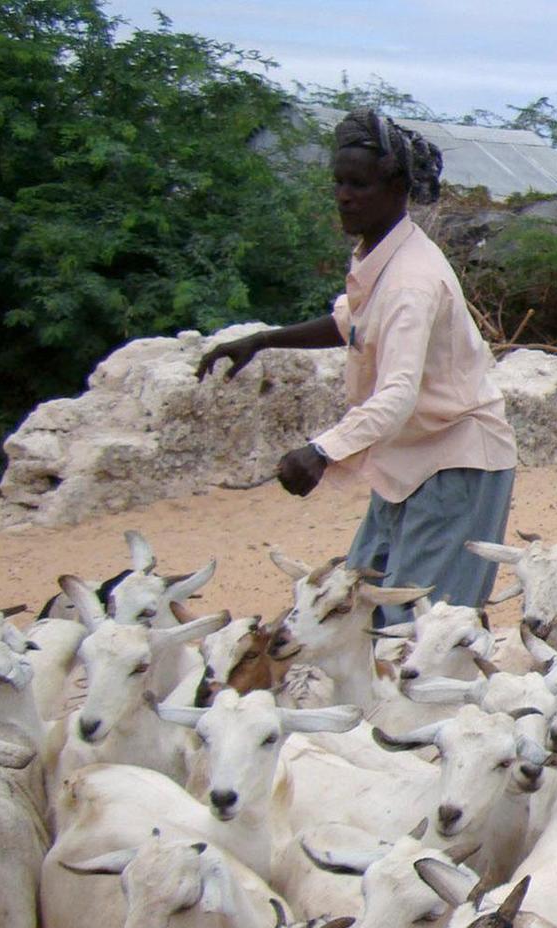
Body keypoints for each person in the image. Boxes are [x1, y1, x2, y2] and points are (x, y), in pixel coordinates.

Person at [199, 108, 516, 624]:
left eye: (359, 185)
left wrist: (322, 451)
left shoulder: (412, 281)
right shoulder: (378, 256)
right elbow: (352, 324)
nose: (344, 196)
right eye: (339, 183)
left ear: (396, 188)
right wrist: (261, 340)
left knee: (421, 628)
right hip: (409, 460)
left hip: (456, 463)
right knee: (355, 609)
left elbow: (397, 395)